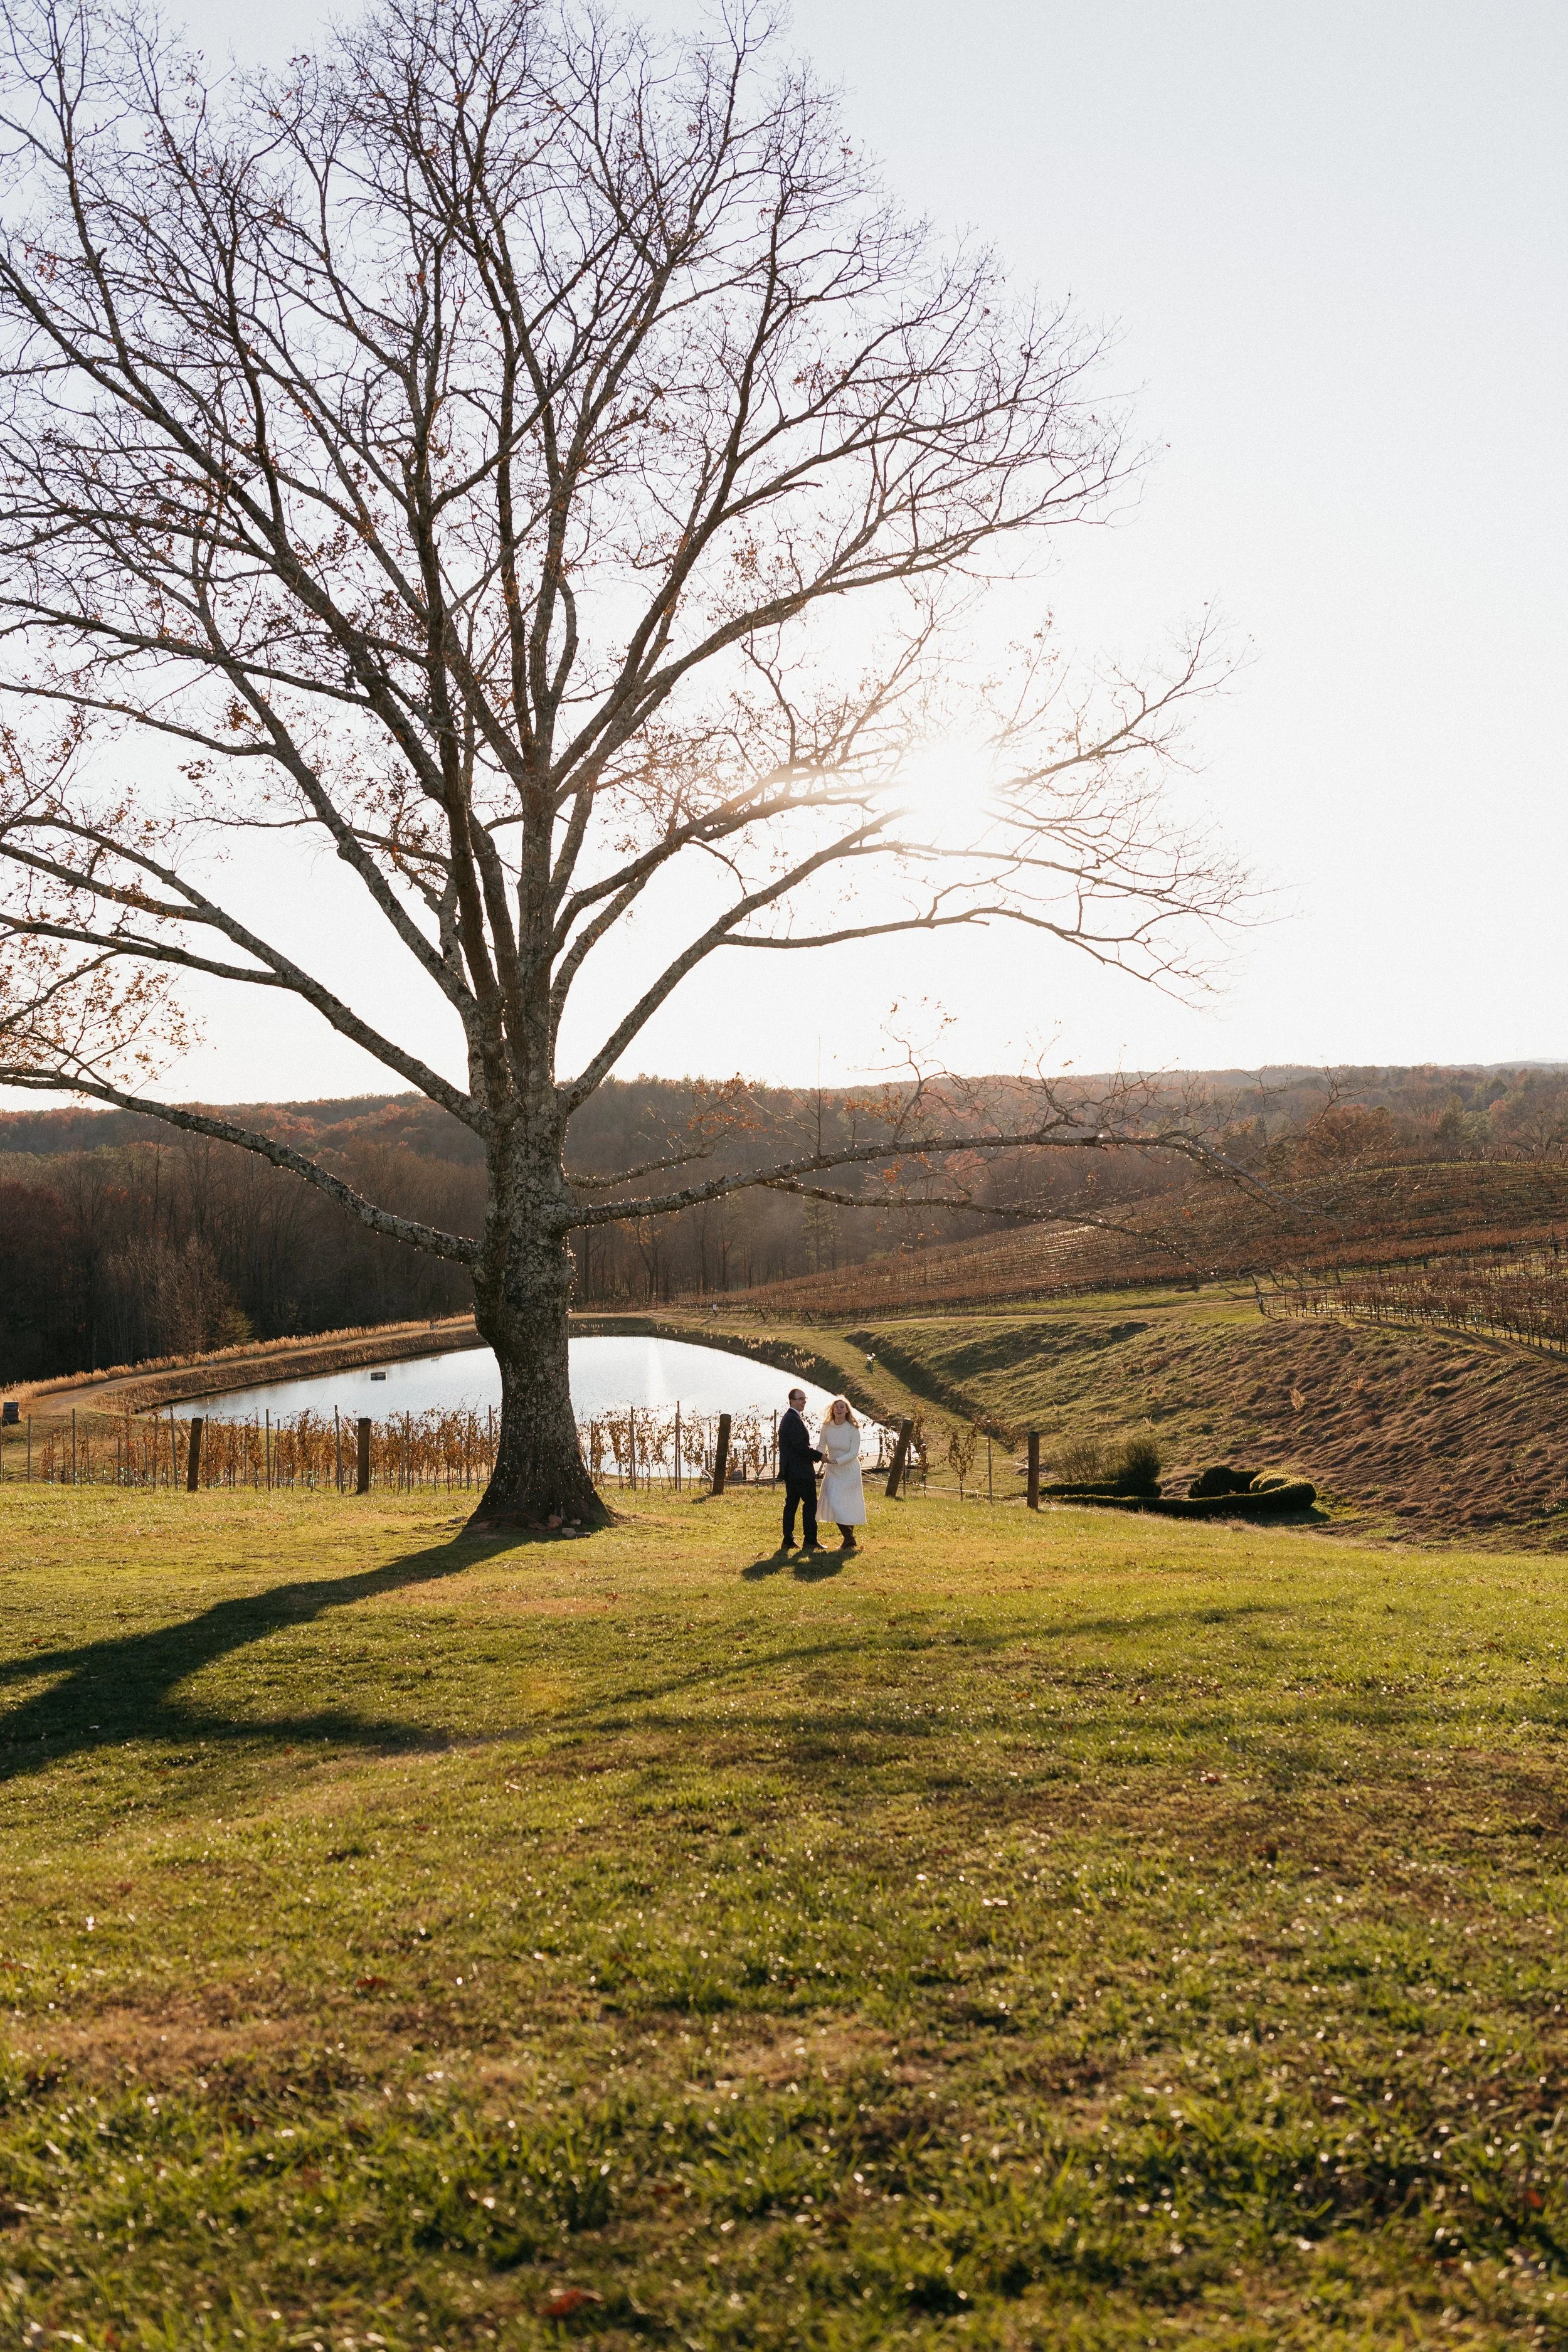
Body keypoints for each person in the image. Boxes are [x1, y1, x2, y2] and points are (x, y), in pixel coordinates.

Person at [777, 1387, 823, 1552]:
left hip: (792, 1471)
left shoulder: (791, 1418)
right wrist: (820, 1456)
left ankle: (788, 1540)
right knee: (810, 1504)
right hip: (801, 1472)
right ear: (792, 1401)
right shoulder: (792, 1420)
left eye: (805, 1399)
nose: (804, 1402)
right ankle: (810, 1541)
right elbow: (800, 1448)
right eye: (800, 1399)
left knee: (792, 1505)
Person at [818, 1396, 866, 1552]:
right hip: (832, 1471)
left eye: (842, 1407)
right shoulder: (827, 1427)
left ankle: (848, 1539)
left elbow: (853, 1453)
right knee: (833, 1501)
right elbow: (821, 1445)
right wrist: (819, 1456)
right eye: (836, 1406)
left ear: (847, 1411)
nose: (839, 1409)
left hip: (849, 1471)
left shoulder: (853, 1429)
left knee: (848, 1504)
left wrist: (837, 1461)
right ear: (832, 1410)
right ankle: (850, 1538)